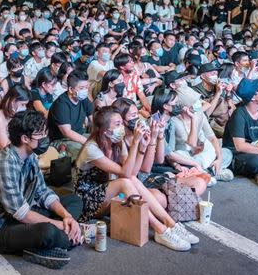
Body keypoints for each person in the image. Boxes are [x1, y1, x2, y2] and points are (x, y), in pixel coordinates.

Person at [74, 106, 198, 251]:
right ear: (106, 131)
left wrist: (141, 148)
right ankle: (160, 230)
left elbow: (133, 173)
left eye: (122, 123)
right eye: (118, 124)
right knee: (125, 182)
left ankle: (171, 223)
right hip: (86, 200)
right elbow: (125, 174)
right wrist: (134, 144)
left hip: (106, 195)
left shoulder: (117, 143)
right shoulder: (91, 148)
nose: (122, 127)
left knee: (132, 181)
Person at [0, 111, 83, 269]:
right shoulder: (3, 164)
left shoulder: (30, 156)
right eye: (40, 135)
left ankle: (59, 238)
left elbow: (43, 193)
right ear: (25, 139)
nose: (45, 138)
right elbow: (21, 213)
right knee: (48, 232)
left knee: (75, 200)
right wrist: (61, 225)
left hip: (22, 214)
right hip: (0, 228)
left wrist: (66, 217)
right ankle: (68, 236)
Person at [47, 71, 93, 159]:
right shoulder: (61, 104)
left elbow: (93, 118)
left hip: (80, 134)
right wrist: (88, 142)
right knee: (85, 151)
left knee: (101, 143)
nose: (85, 90)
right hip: (62, 140)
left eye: (86, 87)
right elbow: (67, 132)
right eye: (82, 88)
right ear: (71, 89)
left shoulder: (83, 99)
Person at [0, 85, 29, 151]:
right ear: (12, 102)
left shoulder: (12, 116)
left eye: (26, 105)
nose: (25, 108)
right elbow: (5, 148)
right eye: (22, 104)